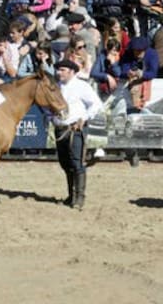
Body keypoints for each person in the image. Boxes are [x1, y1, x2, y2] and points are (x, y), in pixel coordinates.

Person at [52, 57, 103, 210]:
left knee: (76, 162)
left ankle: (79, 197)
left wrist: (84, 118)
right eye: (58, 69)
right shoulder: (56, 87)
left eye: (62, 70)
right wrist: (51, 118)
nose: (58, 72)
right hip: (60, 128)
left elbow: (96, 104)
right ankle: (71, 196)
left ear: (72, 72)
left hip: (75, 128)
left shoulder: (82, 86)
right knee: (65, 163)